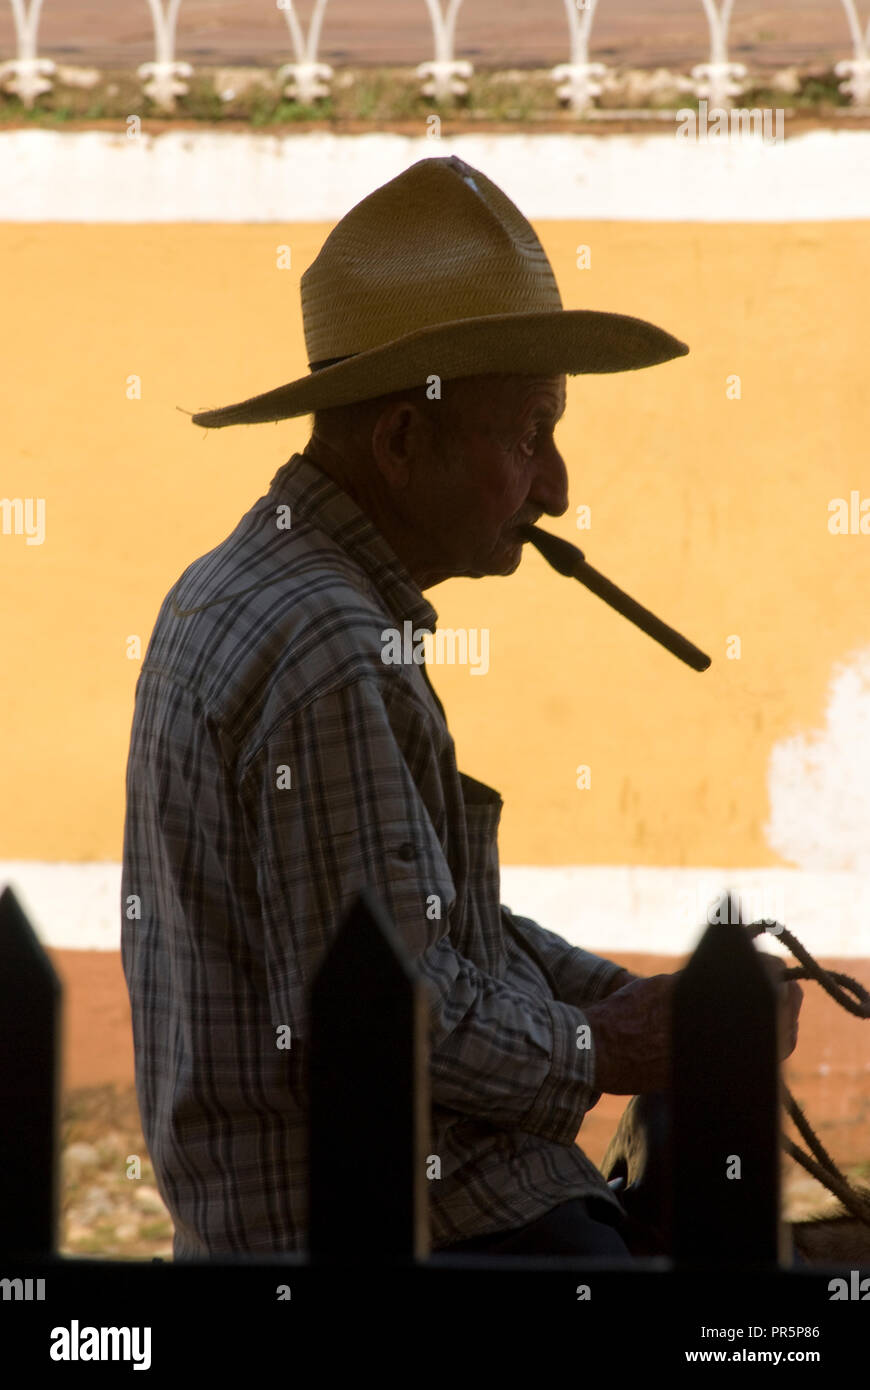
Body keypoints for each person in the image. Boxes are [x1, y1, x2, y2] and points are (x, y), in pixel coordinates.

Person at [120, 155, 801, 1261]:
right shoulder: (327, 643)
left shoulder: (264, 585)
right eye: (531, 431)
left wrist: (638, 1010)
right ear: (401, 442)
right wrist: (607, 1046)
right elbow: (381, 1023)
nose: (558, 487)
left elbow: (422, 918)